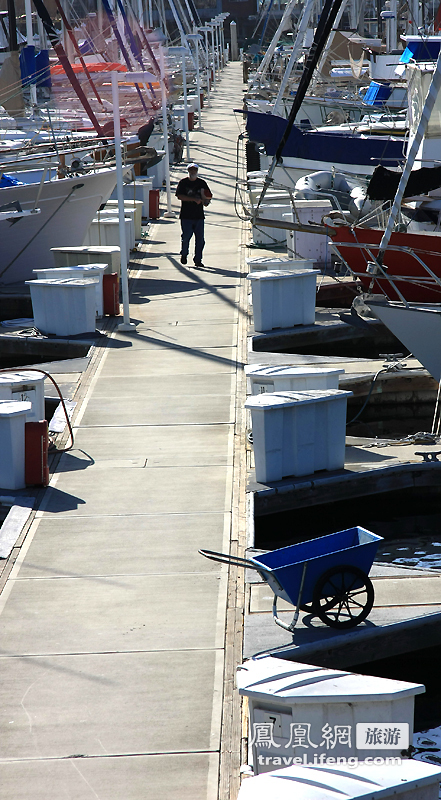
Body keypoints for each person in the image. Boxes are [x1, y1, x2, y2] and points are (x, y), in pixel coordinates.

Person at [175, 163, 212, 268]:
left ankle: (198, 260)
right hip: (186, 215)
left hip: (199, 216)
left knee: (200, 240)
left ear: (197, 171)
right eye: (191, 170)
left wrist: (205, 200)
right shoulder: (183, 182)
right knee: (186, 236)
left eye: (194, 170)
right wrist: (193, 199)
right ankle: (184, 254)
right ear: (188, 171)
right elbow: (179, 196)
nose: (193, 172)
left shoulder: (202, 183)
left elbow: (207, 197)